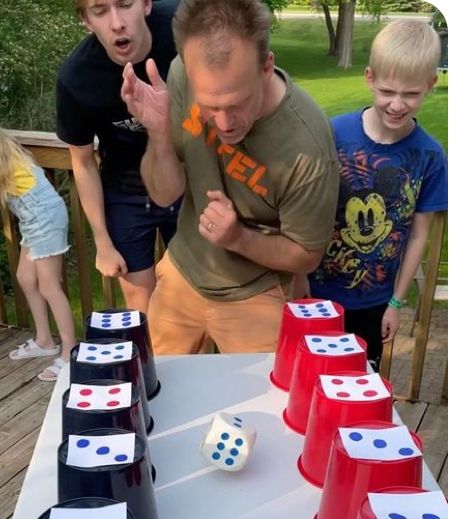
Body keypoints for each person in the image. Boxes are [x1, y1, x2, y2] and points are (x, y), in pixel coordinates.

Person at [120, 0, 339, 354]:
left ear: (266, 67)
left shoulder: (308, 145)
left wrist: (237, 237)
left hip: (258, 292)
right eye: (209, 105)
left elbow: (307, 255)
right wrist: (159, 134)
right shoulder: (181, 75)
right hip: (184, 273)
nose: (223, 123)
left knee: (261, 405)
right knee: (158, 393)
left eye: (237, 102)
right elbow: (164, 195)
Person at [308, 19, 448, 371]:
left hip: (375, 304)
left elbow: (419, 235)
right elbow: (303, 210)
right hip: (315, 293)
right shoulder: (333, 133)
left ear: (431, 84)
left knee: (358, 382)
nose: (397, 105)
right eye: (388, 91)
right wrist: (298, 286)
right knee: (308, 380)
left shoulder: (430, 157)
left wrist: (397, 304)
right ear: (370, 77)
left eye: (411, 94)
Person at [56, 0, 180, 313]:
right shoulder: (77, 78)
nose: (117, 23)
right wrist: (102, 242)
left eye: (125, 5)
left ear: (147, 5)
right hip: (125, 195)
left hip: (185, 184)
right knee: (141, 309)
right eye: (99, 11)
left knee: (192, 299)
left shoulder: (186, 27)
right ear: (86, 20)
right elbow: (82, 163)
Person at [2, 129, 75, 382]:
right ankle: (44, 341)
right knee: (25, 276)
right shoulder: (7, 150)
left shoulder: (2, 155)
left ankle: (69, 353)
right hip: (33, 218)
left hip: (44, 217)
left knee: (49, 286)